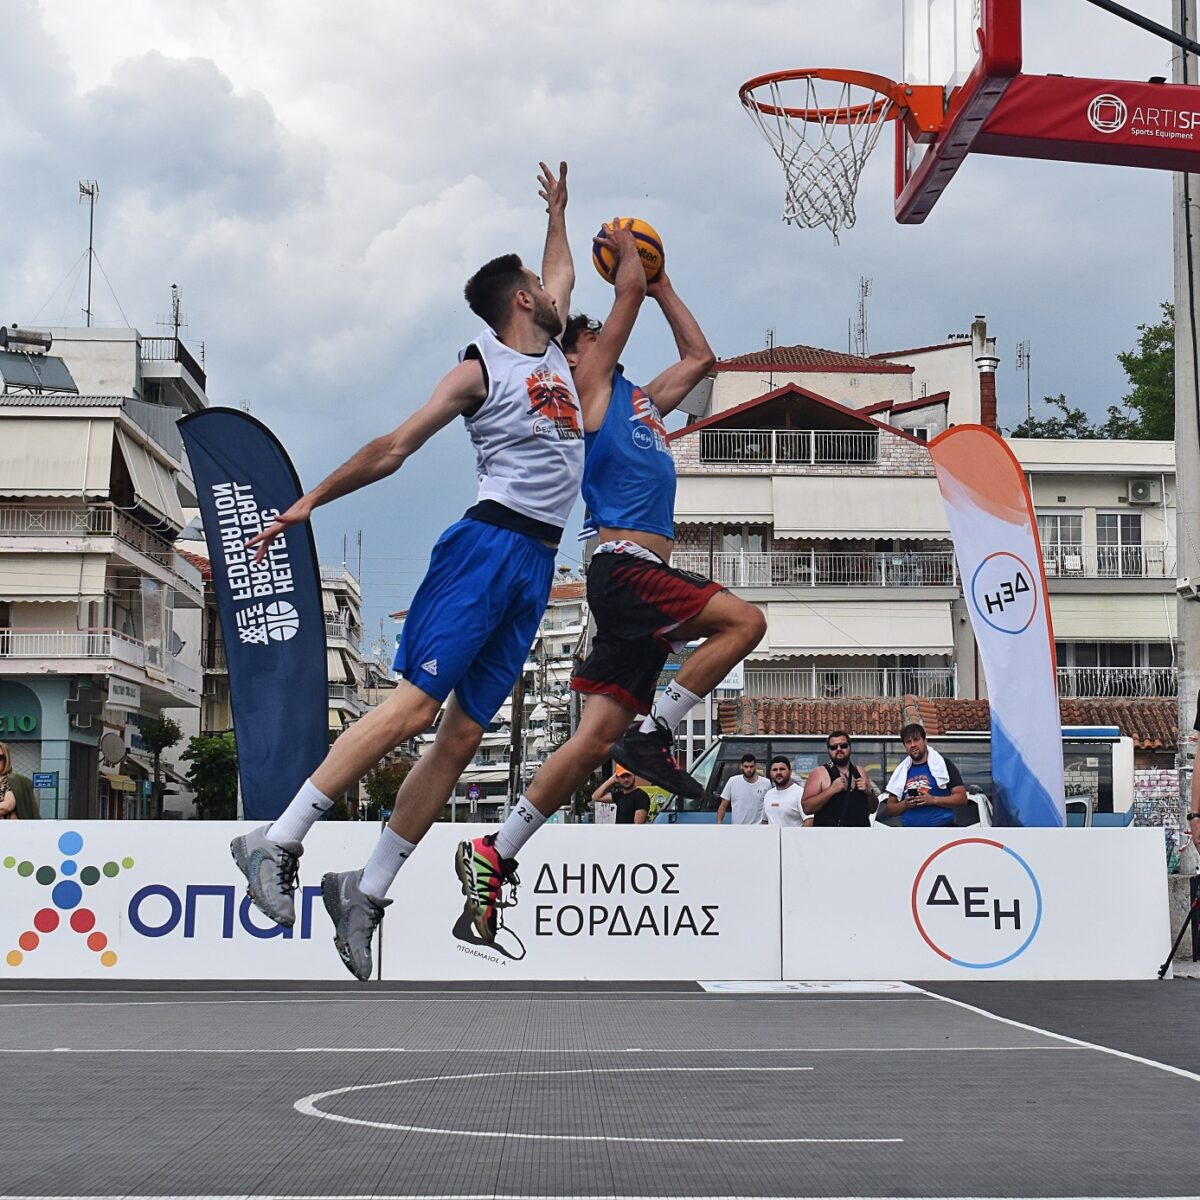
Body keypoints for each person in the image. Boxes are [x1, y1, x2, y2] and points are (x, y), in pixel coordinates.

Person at [231, 162, 580, 980]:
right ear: (519, 301)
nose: (552, 285)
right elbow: (393, 447)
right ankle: (275, 842)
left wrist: (558, 214)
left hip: (535, 562)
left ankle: (366, 887)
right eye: (538, 283)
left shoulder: (555, 348)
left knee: (460, 736)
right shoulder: (480, 369)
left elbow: (559, 267)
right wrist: (310, 499)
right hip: (488, 548)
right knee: (417, 706)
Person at [453, 250, 766, 943]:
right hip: (624, 566)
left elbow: (702, 356)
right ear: (576, 353)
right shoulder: (585, 388)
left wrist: (663, 283)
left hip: (628, 580)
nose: (599, 336)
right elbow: (618, 302)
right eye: (589, 334)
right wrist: (630, 256)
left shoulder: (643, 401)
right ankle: (656, 731)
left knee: (592, 739)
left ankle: (495, 852)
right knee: (745, 622)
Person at [881, 723, 967, 827]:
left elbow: (962, 799)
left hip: (943, 833)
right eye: (908, 742)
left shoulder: (943, 765)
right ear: (905, 747)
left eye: (916, 739)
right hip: (910, 835)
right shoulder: (901, 771)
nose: (913, 745)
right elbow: (890, 809)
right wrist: (905, 804)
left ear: (925, 741)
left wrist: (933, 800)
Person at [801, 731, 878, 827]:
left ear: (850, 747)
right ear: (828, 750)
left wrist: (869, 792)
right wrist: (831, 790)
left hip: (859, 835)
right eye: (834, 747)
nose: (839, 749)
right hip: (829, 836)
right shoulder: (819, 773)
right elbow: (807, 808)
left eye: (843, 746)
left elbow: (873, 808)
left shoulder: (860, 772)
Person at [716, 753, 768, 825]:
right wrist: (719, 824)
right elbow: (723, 805)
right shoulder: (732, 781)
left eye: (751, 766)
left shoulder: (766, 783)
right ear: (741, 766)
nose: (749, 769)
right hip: (737, 829)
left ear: (755, 766)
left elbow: (768, 808)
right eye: (746, 767)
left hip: (758, 829)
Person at [761, 755, 810, 827]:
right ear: (770, 773)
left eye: (782, 769)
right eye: (775, 770)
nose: (778, 772)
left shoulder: (800, 793)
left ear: (790, 772)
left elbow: (809, 821)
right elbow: (765, 821)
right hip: (771, 838)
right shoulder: (768, 794)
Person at [0, 743, 37, 820]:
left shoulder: (11, 780)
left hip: (7, 829)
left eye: (0, 758)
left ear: (6, 759)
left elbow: (8, 806)